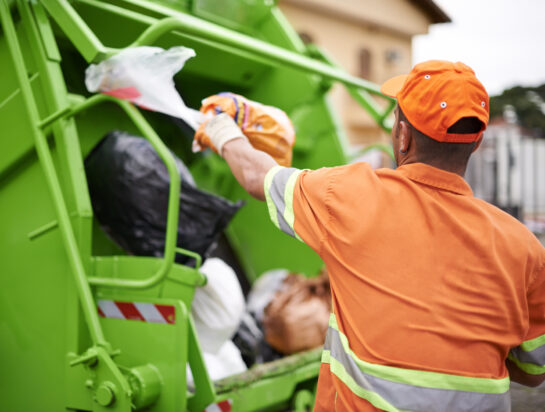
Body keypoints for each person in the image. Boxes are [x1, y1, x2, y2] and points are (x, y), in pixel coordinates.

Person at [195, 60, 545, 411]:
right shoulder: (524, 248)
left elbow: (259, 177)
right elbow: (533, 370)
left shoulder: (347, 196)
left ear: (403, 136)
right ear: (477, 142)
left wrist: (223, 129)